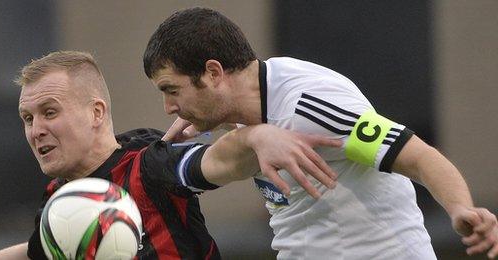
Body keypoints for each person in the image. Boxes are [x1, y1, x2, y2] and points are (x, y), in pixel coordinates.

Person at [0, 51, 341, 260]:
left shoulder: (150, 165)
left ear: (96, 112)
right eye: (27, 118)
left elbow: (217, 162)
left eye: (49, 112)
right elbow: (35, 250)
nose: (36, 130)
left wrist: (257, 139)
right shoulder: (63, 197)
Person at [143, 7, 498, 259]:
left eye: (171, 90)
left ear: (213, 73)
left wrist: (461, 210)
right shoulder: (246, 101)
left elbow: (418, 156)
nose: (168, 108)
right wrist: (214, 118)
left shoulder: (310, 106)